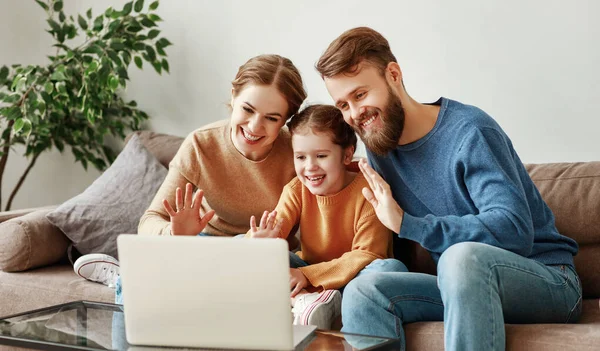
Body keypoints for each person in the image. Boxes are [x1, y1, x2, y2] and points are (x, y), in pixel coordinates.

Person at [315, 27, 582, 350]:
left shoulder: (470, 132)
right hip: (459, 285)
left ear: (394, 75)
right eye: (343, 105)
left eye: (360, 95)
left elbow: (514, 230)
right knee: (364, 290)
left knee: (460, 258)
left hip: (548, 280)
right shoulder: (381, 147)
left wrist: (408, 224)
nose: (355, 114)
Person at [73, 54, 307, 290]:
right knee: (137, 274)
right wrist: (175, 233)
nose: (255, 126)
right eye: (248, 109)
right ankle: (124, 278)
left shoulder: (299, 150)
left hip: (267, 256)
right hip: (204, 249)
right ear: (233, 96)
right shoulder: (201, 145)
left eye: (271, 118)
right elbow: (149, 222)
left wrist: (258, 245)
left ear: (286, 119)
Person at [246, 104, 404, 330]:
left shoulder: (368, 191)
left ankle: (310, 298)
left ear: (347, 154)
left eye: (321, 156)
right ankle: (308, 301)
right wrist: (260, 242)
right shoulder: (296, 190)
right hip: (311, 270)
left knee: (389, 269)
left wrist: (306, 275)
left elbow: (369, 253)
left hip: (355, 279)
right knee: (248, 250)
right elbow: (274, 229)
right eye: (300, 157)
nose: (310, 167)